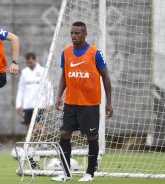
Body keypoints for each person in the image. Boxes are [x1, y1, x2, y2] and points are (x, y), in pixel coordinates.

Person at [51, 21, 113, 182]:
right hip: (71, 103)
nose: (73, 36)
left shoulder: (95, 53)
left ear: (84, 34)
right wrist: (59, 96)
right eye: (72, 33)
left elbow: (106, 77)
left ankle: (90, 173)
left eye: (77, 33)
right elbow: (64, 76)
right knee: (64, 134)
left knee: (91, 136)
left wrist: (109, 102)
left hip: (89, 104)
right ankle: (66, 173)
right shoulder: (66, 53)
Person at [15, 52, 53, 169]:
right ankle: (33, 158)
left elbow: (49, 87)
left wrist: (49, 102)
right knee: (29, 132)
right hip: (27, 106)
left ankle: (47, 143)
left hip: (40, 105)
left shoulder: (42, 71)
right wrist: (18, 104)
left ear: (35, 59)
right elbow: (21, 89)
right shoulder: (25, 73)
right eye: (27, 62)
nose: (29, 64)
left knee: (37, 128)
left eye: (30, 62)